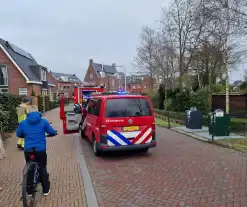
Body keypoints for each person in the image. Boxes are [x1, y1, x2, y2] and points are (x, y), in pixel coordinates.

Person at [16, 105, 57, 196]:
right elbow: (51, 131)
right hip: (40, 149)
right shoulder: (43, 121)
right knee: (42, 167)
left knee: (29, 167)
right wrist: (54, 133)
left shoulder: (23, 123)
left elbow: (18, 134)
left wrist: (24, 134)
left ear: (28, 113)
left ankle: (29, 191)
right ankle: (46, 190)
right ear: (38, 112)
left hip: (28, 150)